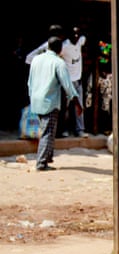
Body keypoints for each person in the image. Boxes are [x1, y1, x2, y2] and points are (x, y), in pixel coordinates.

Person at [28, 36, 82, 171]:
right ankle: (41, 163)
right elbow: (68, 85)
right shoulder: (58, 62)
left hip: (36, 100)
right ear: (60, 48)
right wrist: (77, 103)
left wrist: (31, 96)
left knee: (48, 130)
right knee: (48, 132)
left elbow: (30, 82)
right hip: (50, 101)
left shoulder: (36, 59)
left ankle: (48, 157)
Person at [60, 26, 88, 138]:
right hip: (68, 82)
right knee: (65, 107)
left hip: (78, 81)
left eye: (78, 34)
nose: (76, 36)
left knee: (79, 106)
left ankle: (79, 130)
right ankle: (63, 130)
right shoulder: (65, 46)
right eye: (74, 34)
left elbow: (84, 38)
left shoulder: (80, 41)